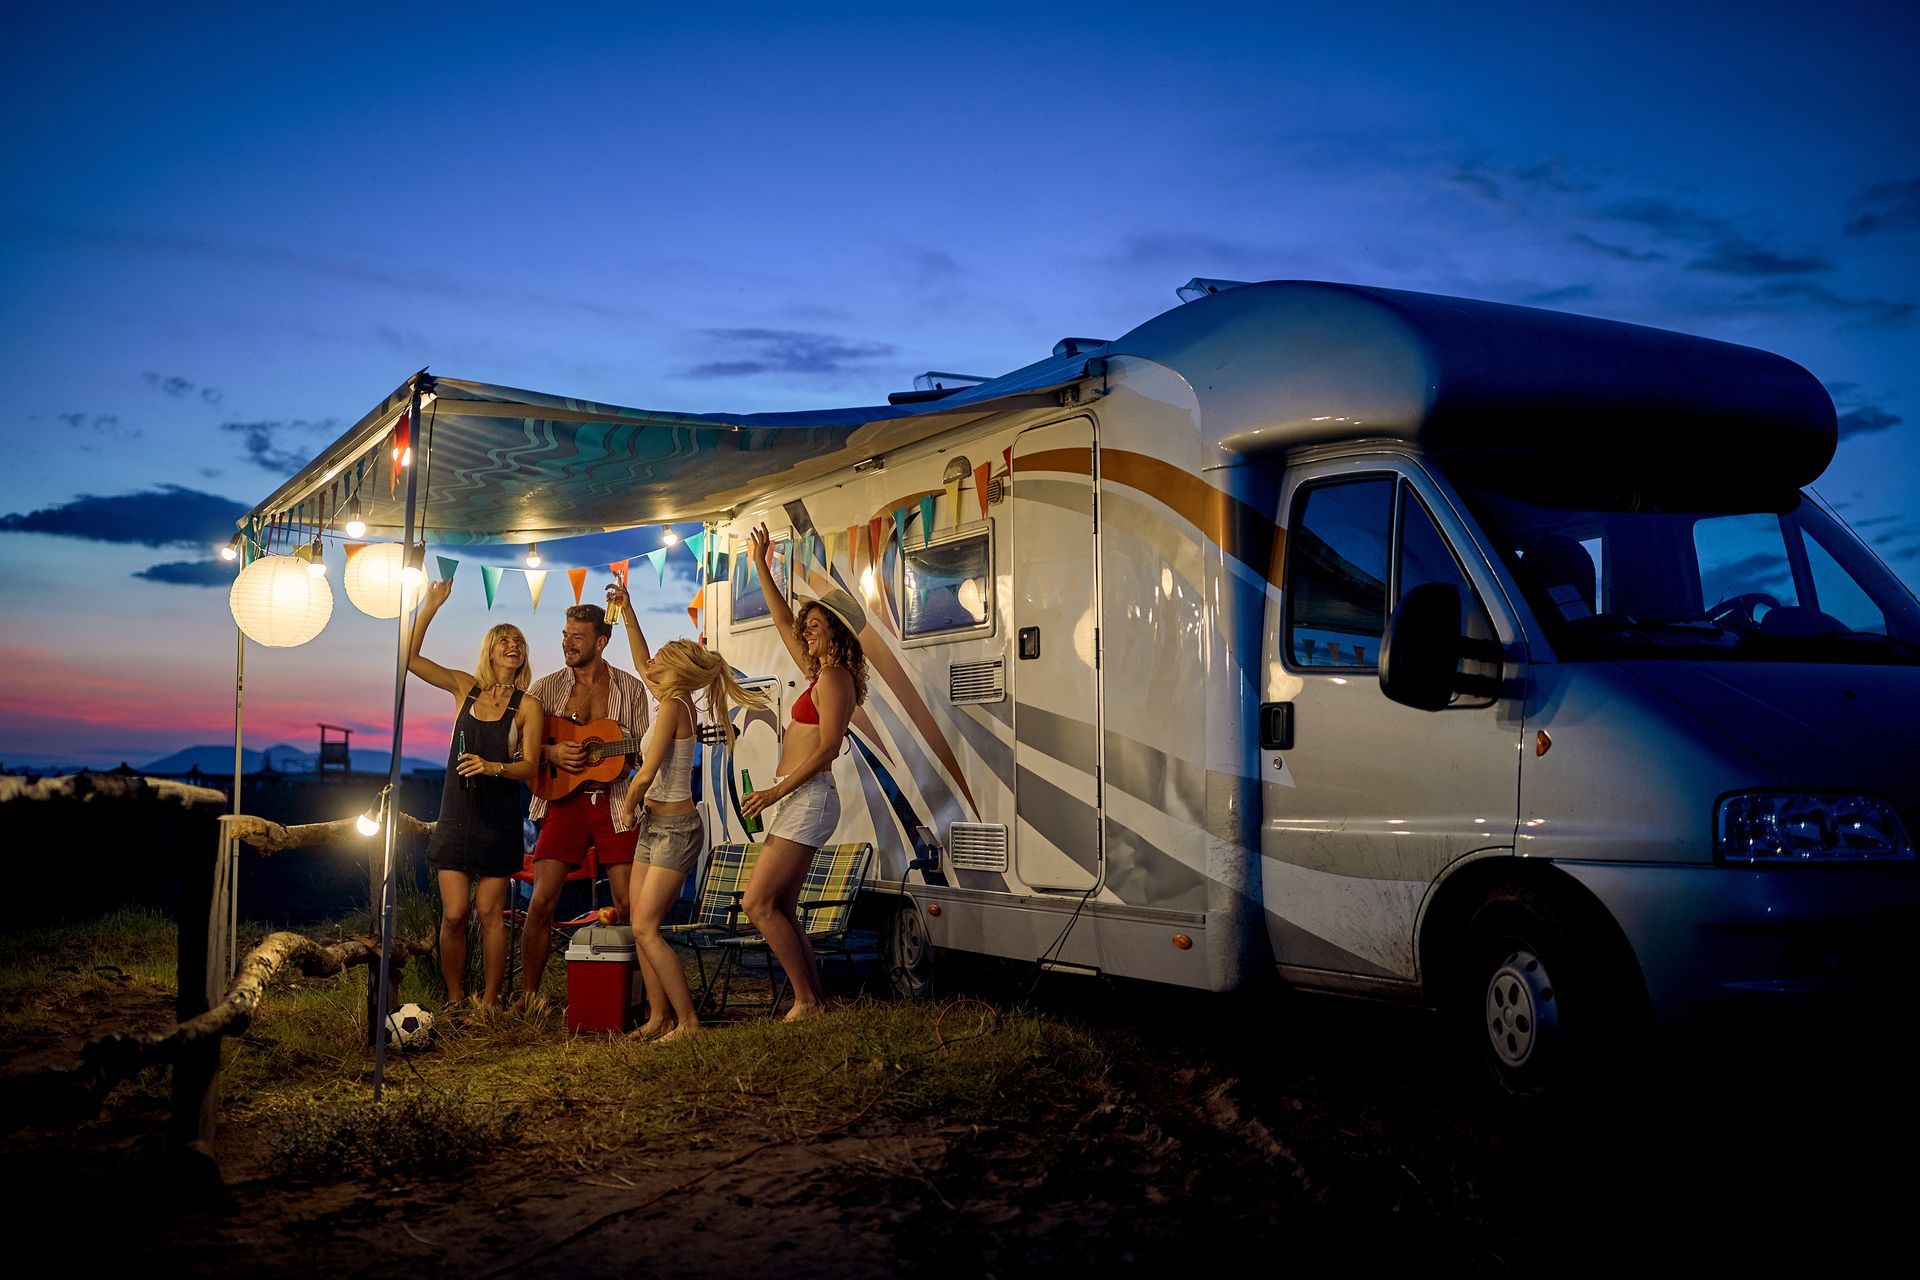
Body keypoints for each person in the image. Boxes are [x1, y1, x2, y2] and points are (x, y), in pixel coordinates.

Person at [738, 522, 868, 1021]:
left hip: (807, 795)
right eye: (806, 625)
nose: (805, 630)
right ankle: (816, 1001)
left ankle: (807, 1000)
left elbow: (829, 748)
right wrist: (760, 565)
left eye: (815, 625)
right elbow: (780, 620)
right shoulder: (820, 674)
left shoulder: (835, 678)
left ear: (835, 631)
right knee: (782, 908)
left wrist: (774, 793)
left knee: (758, 903)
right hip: (800, 796)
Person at [616, 638, 770, 1040]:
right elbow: (640, 660)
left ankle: (688, 1023)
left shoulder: (673, 705)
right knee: (638, 925)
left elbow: (646, 774)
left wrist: (628, 806)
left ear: (675, 669)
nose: (650, 664)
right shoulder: (671, 698)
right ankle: (658, 1018)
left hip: (676, 831)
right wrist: (628, 611)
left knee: (647, 927)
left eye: (659, 660)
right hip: (655, 827)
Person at [406, 579, 543, 1011]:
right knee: (454, 915)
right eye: (504, 639)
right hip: (456, 815)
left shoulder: (528, 705)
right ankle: (454, 999)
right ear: (490, 649)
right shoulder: (465, 688)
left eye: (518, 640)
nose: (512, 644)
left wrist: (492, 766)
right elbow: (409, 659)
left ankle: (489, 1002)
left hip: (499, 818)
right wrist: (429, 606)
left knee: (489, 913)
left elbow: (531, 766)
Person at [519, 599, 651, 1009]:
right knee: (542, 901)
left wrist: (629, 756)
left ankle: (635, 998)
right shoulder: (545, 689)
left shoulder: (630, 688)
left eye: (577, 637)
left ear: (601, 641)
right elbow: (516, 745)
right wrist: (552, 754)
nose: (568, 644)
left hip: (617, 805)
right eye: (565, 636)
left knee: (630, 905)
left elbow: (648, 750)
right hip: (562, 804)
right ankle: (529, 997)